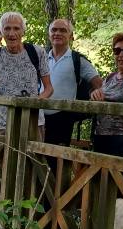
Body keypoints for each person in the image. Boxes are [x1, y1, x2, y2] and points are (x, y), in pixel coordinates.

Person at [41, 19, 102, 147]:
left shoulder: (78, 60)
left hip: (63, 118)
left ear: (71, 37)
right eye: (54, 30)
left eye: (63, 30)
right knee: (35, 154)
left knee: (57, 158)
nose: (57, 33)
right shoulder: (41, 57)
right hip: (38, 116)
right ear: (49, 34)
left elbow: (98, 84)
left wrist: (95, 93)